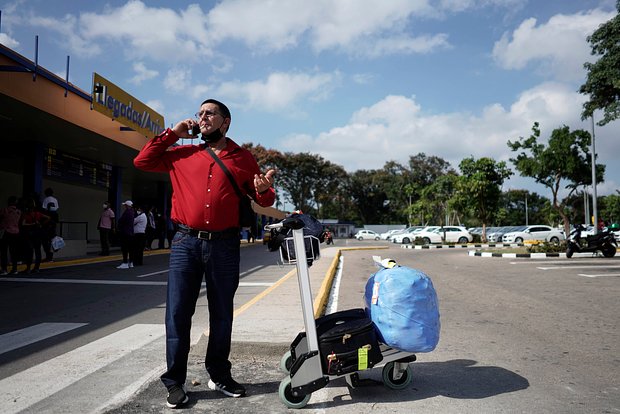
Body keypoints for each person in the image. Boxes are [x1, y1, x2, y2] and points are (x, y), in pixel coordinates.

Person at [134, 98, 276, 408]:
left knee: (222, 313)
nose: (202, 117)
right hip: (185, 243)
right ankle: (174, 381)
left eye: (209, 113)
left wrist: (264, 189)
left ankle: (219, 375)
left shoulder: (243, 158)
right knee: (177, 313)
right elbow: (142, 161)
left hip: (224, 244)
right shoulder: (182, 154)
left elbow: (262, 199)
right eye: (199, 113)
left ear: (225, 122)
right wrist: (173, 132)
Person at [19, 198, 50, 274]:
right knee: (38, 251)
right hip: (38, 234)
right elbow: (48, 218)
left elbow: (23, 224)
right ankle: (36, 268)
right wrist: (41, 224)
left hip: (29, 234)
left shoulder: (25, 215)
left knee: (29, 251)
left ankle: (28, 268)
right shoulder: (38, 214)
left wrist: (31, 224)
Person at [0, 196, 22, 275]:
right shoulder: (19, 212)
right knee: (14, 251)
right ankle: (14, 269)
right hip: (16, 233)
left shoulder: (5, 210)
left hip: (6, 232)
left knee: (4, 252)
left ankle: (4, 269)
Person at [116, 200, 135, 269]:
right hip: (130, 232)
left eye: (125, 205)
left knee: (125, 248)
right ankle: (131, 262)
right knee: (130, 248)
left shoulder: (127, 212)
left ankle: (125, 263)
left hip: (125, 232)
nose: (124, 206)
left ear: (127, 206)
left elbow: (121, 221)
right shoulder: (132, 212)